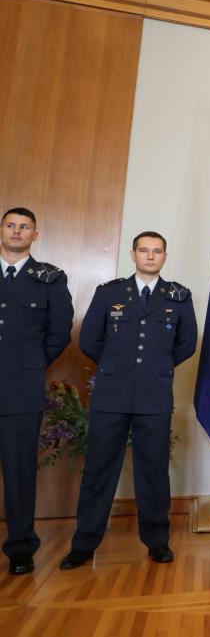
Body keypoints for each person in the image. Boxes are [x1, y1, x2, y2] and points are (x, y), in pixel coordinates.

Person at [60, 232, 197, 570]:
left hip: (154, 393)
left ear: (165, 256)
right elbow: (90, 339)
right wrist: (117, 368)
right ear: (133, 254)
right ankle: (84, 543)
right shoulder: (109, 293)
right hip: (112, 393)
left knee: (153, 471)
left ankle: (157, 541)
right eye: (144, 250)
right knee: (98, 470)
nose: (150, 256)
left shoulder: (178, 296)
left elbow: (187, 343)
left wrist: (157, 368)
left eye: (157, 251)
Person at [0, 207, 73, 575]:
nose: (16, 231)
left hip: (20, 390)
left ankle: (21, 549)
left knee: (19, 472)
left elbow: (59, 332)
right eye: (10, 225)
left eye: (23, 226)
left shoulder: (50, 279)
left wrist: (29, 364)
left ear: (35, 234)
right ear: (2, 230)